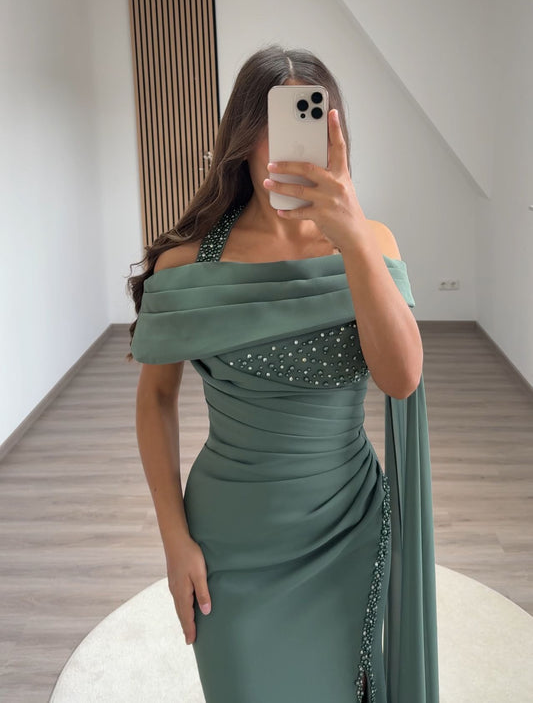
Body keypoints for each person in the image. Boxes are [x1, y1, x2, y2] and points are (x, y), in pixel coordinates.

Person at [126, 45, 439, 703]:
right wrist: (174, 540)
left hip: (349, 527)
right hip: (228, 539)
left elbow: (402, 379)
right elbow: (155, 401)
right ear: (242, 137)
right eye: (273, 122)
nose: (290, 144)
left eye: (310, 118)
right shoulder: (186, 266)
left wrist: (352, 239)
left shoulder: (373, 243)